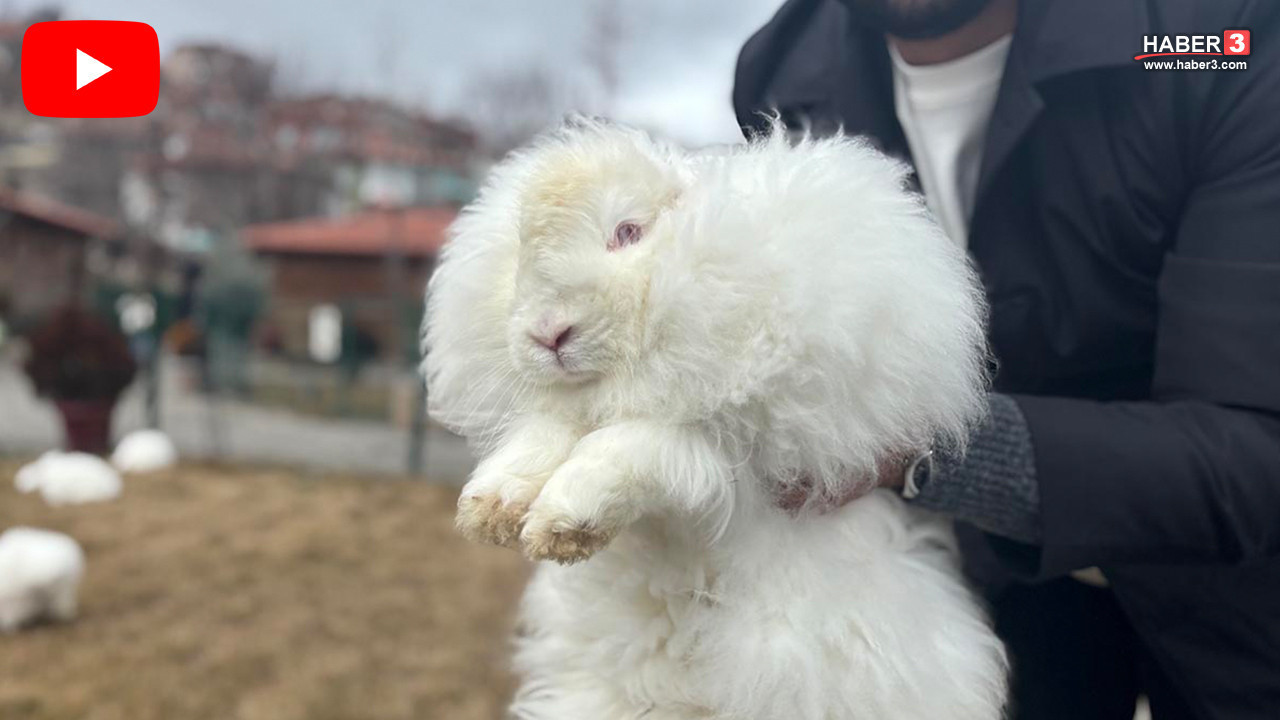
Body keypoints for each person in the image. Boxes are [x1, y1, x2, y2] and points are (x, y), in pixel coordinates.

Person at [734, 0, 1280, 718]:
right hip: (989, 584)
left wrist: (920, 448)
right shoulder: (782, 72)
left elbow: (1255, 451)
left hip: (1241, 583)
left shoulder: (1212, 37)